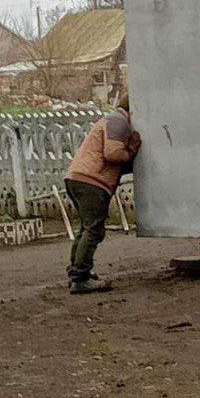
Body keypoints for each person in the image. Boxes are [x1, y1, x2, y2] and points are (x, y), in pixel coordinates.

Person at [64, 95, 141, 294]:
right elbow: (113, 153)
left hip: (78, 177)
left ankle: (76, 272)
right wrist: (130, 153)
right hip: (92, 181)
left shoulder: (110, 120)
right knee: (94, 230)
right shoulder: (119, 121)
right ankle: (80, 278)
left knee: (86, 228)